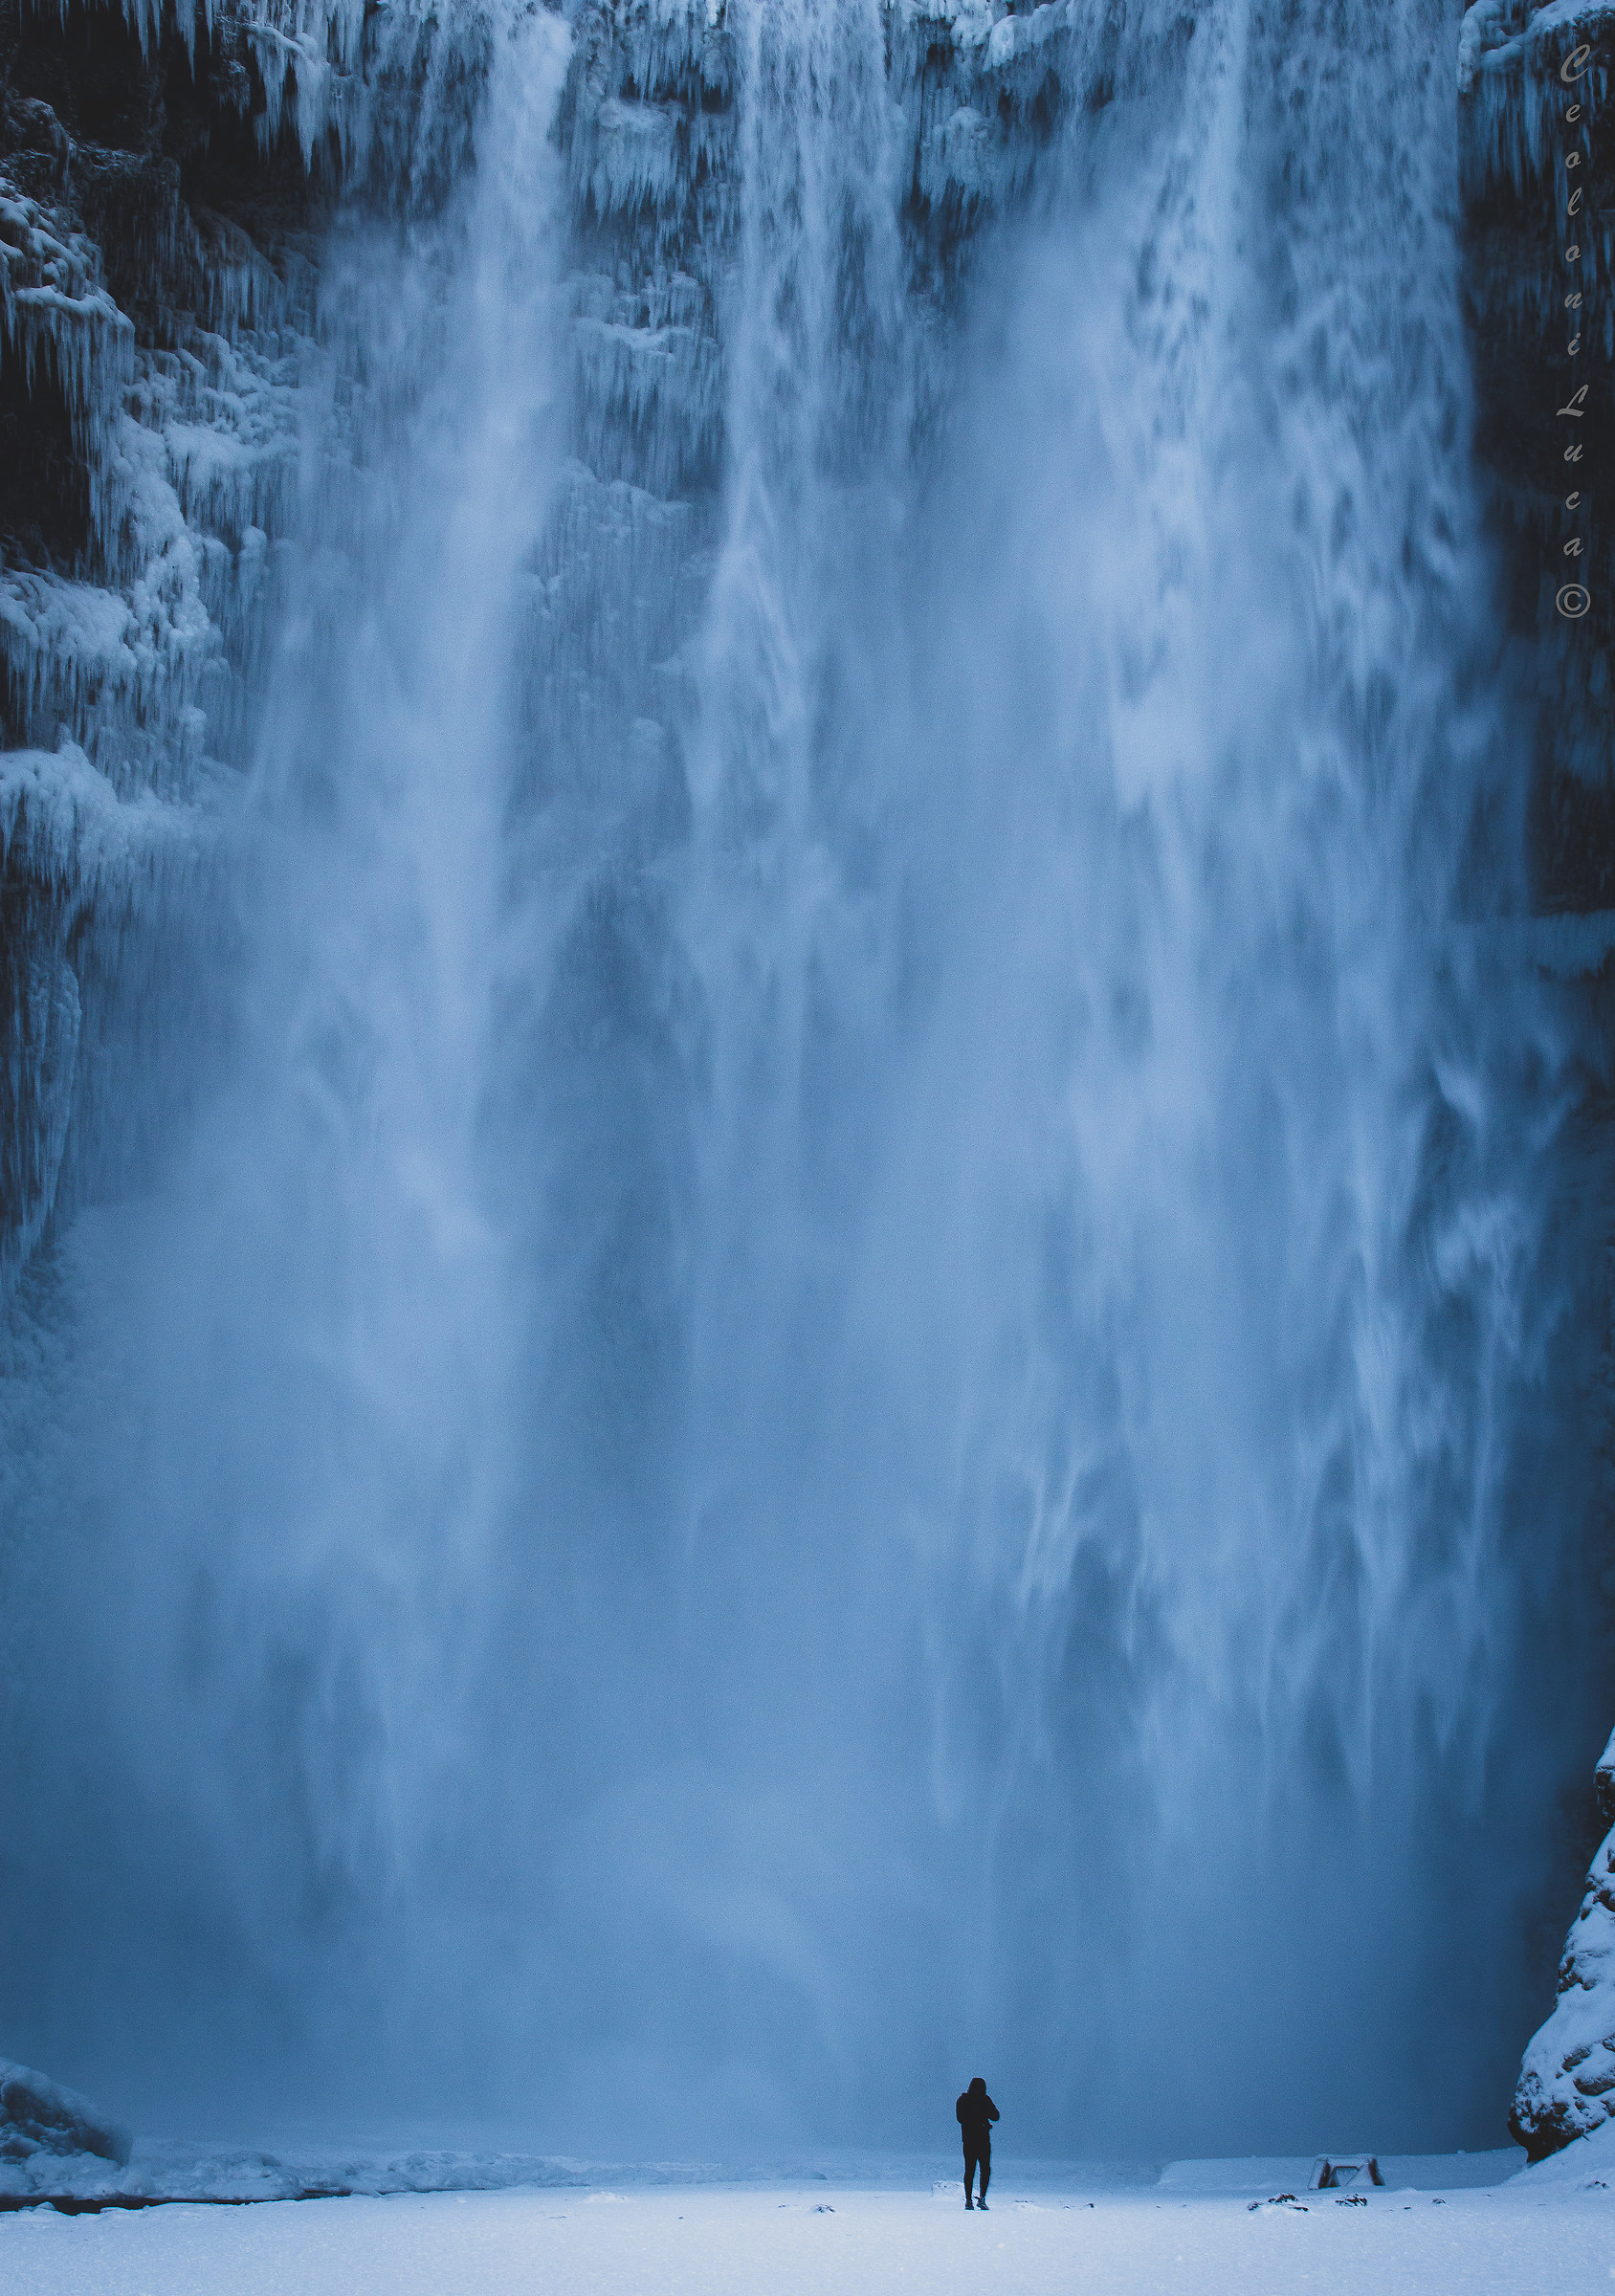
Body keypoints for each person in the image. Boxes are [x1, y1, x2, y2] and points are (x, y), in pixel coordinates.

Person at [956, 2075, 999, 2209]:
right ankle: (982, 2198)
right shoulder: (985, 2100)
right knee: (985, 2170)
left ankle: (969, 2200)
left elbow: (960, 2119)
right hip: (983, 2140)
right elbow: (995, 2116)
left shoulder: (962, 2100)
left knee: (969, 2170)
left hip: (968, 2140)